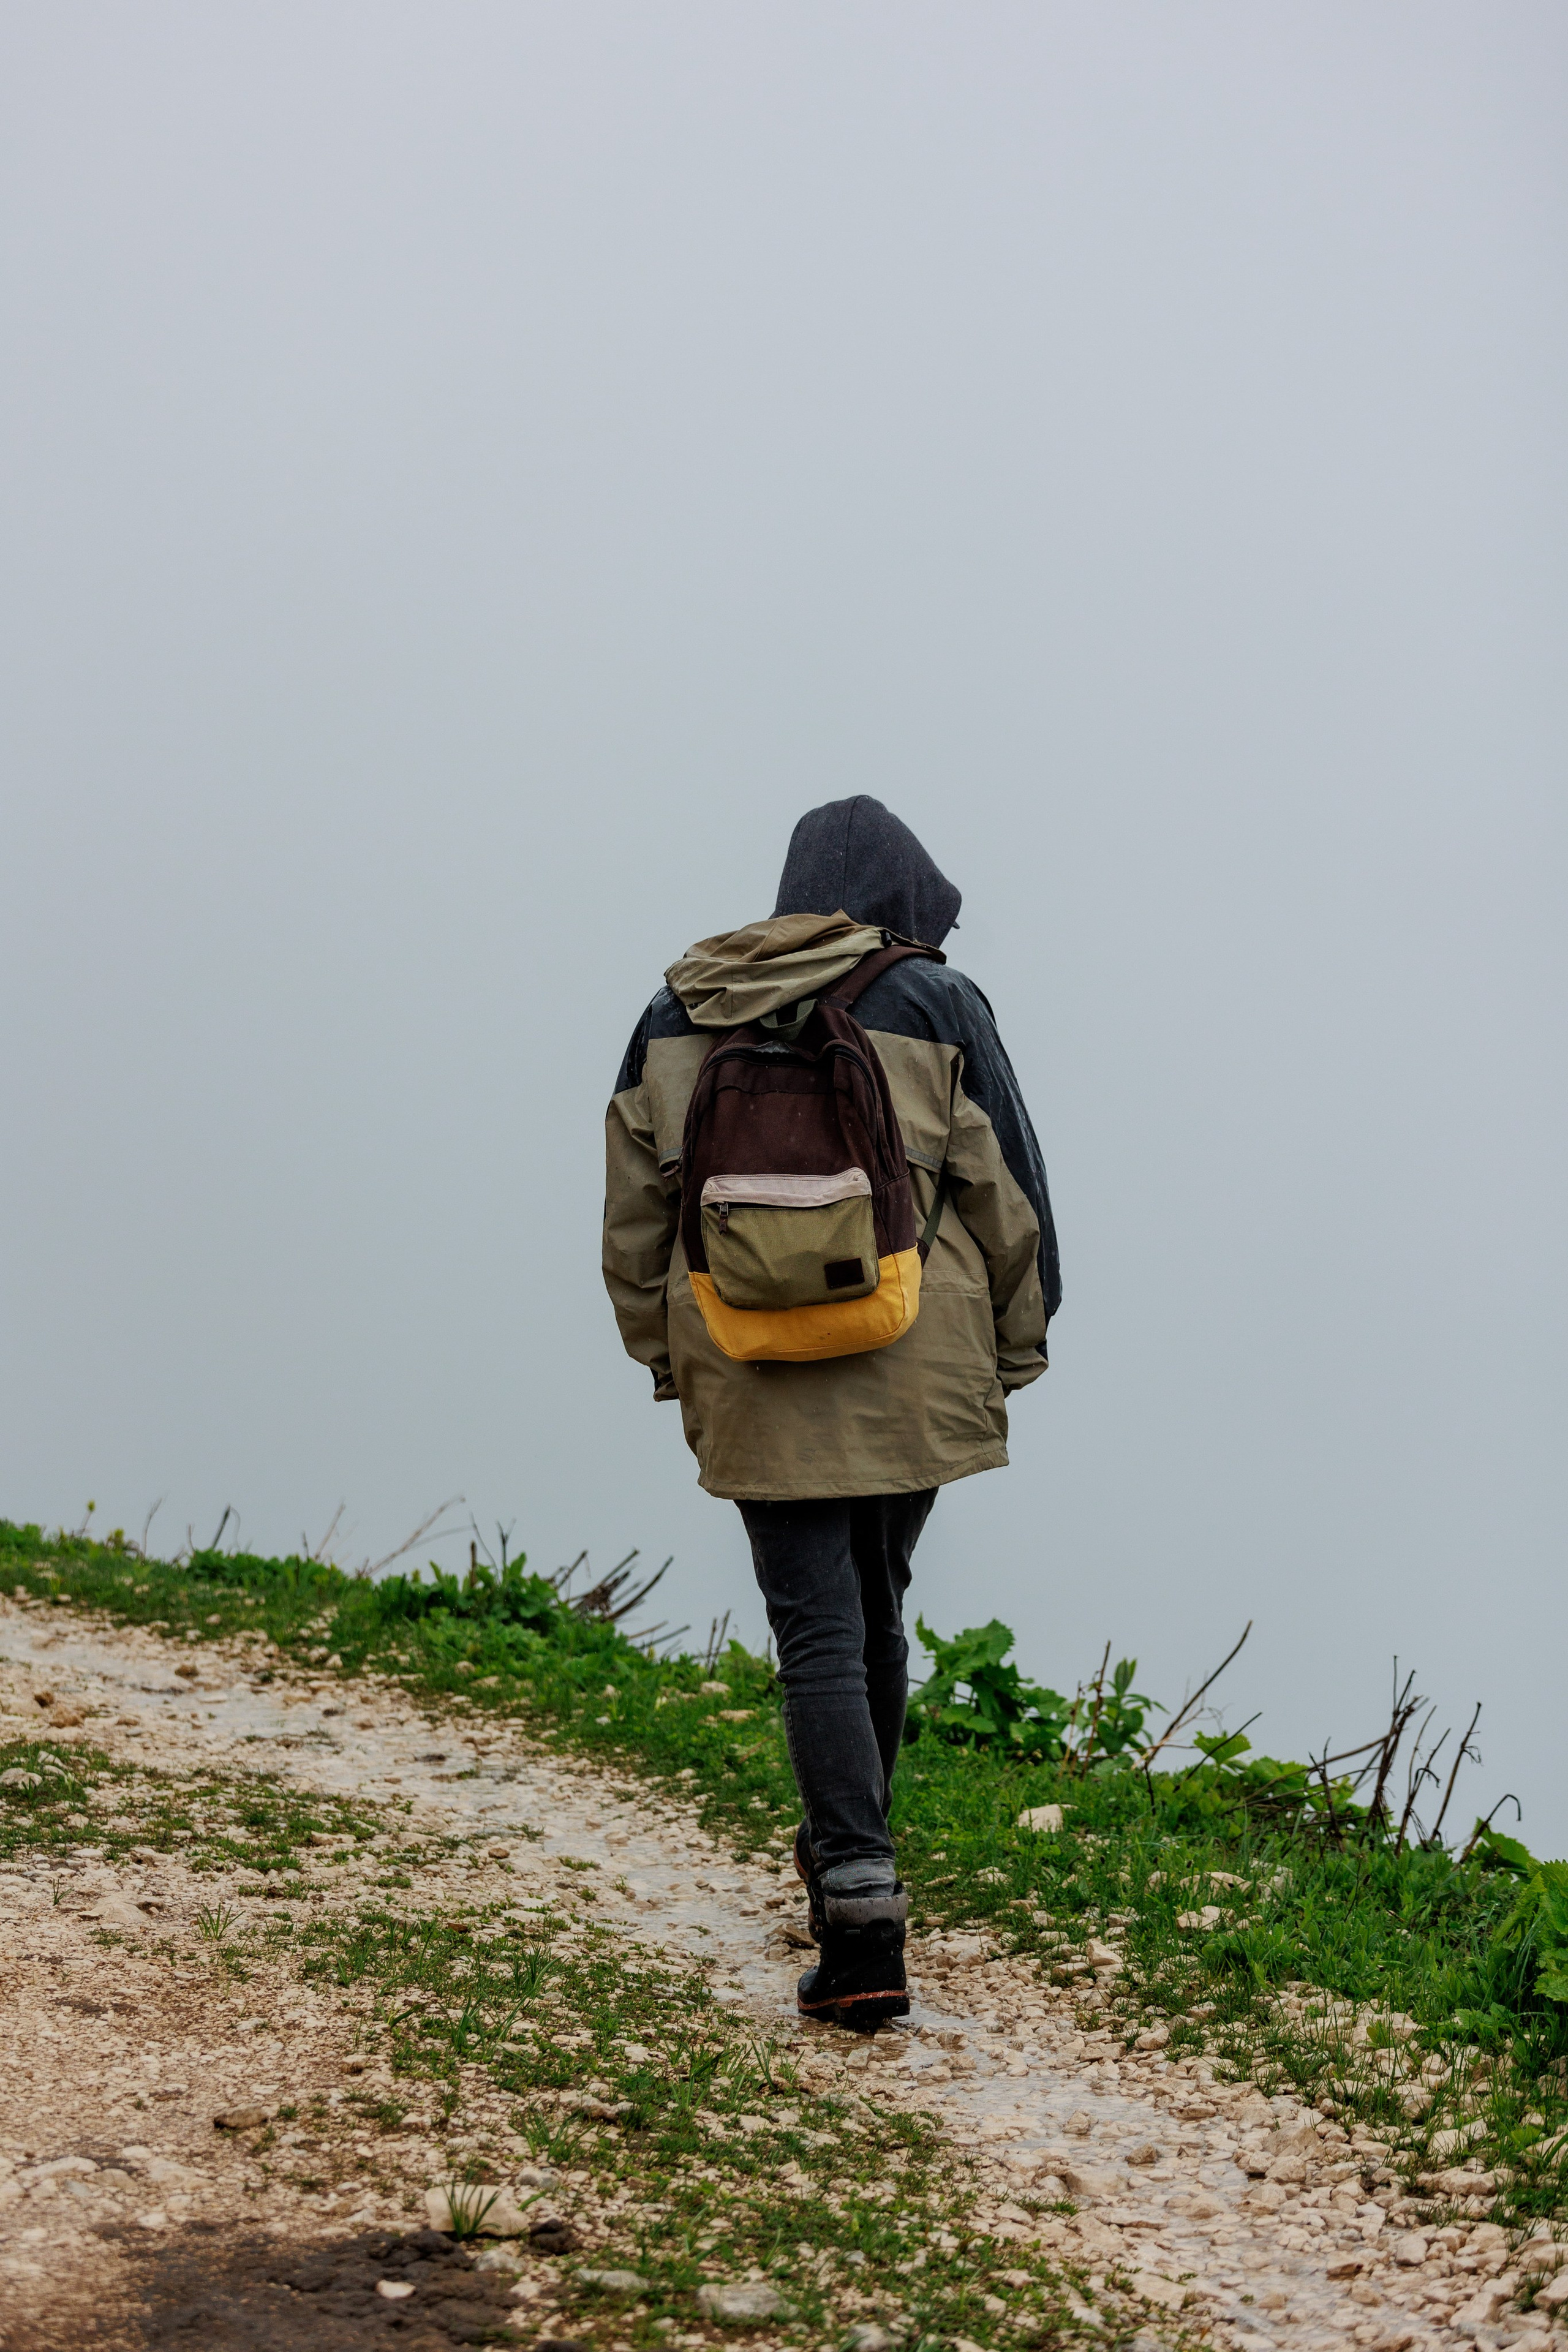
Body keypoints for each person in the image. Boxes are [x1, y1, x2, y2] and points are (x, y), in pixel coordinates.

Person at [603, 796, 1059, 2026]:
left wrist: (670, 1356)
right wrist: (1015, 1347)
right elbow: (1007, 1190)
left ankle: (853, 1899)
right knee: (872, 1607)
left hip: (745, 1349)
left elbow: (635, 1213)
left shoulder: (678, 1006)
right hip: (915, 1340)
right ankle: (856, 1875)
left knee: (816, 1626)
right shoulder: (934, 1000)